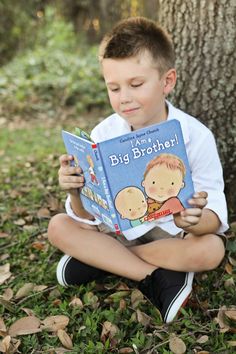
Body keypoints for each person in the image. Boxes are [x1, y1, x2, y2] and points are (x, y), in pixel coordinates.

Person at [48, 17, 228, 323]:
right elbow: (86, 216)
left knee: (211, 250)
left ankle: (102, 261)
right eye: (114, 88)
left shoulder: (195, 135)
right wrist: (76, 192)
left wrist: (194, 220)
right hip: (115, 232)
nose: (124, 98)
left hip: (169, 238)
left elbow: (214, 218)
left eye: (136, 84)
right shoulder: (103, 133)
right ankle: (156, 278)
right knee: (58, 226)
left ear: (167, 81)